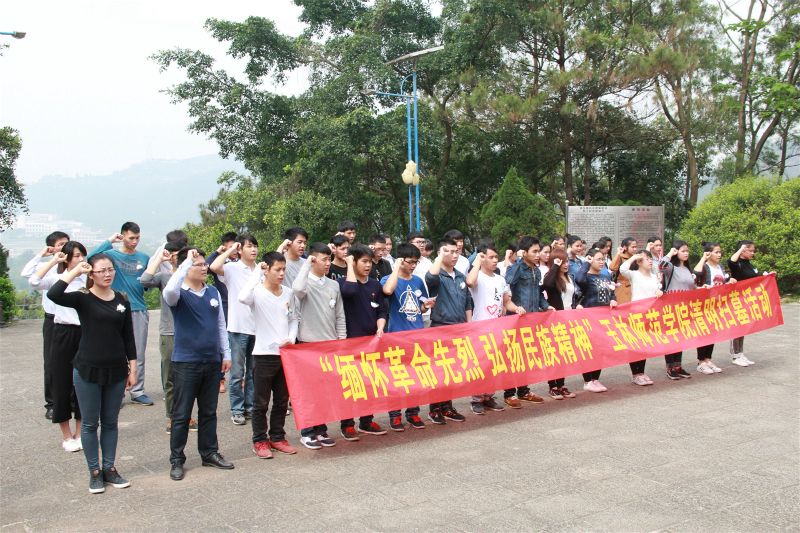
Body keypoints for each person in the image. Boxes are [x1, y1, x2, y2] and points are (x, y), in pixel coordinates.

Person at [47, 254, 137, 494]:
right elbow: (53, 294)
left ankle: (110, 468)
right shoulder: (83, 298)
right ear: (92, 274)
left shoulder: (121, 300)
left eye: (110, 270)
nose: (107, 274)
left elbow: (128, 336)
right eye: (101, 270)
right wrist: (75, 271)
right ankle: (95, 472)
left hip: (116, 370)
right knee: (89, 424)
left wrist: (133, 367)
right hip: (87, 368)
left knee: (110, 422)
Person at [163, 248, 234, 479]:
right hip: (186, 362)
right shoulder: (178, 294)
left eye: (205, 264)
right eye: (199, 264)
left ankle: (209, 452)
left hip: (211, 361)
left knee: (209, 411)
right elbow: (169, 290)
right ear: (186, 268)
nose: (204, 268)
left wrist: (226, 353)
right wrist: (184, 263)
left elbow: (220, 325)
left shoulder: (212, 291)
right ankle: (176, 459)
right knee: (182, 413)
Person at [239, 252, 300, 458]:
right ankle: (260, 440)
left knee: (282, 400)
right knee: (261, 403)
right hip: (263, 354)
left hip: (285, 354)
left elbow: (293, 319)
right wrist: (258, 271)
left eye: (284, 269)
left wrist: (291, 338)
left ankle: (277, 437)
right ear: (268, 270)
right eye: (277, 269)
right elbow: (242, 297)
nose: (282, 273)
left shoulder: (288, 293)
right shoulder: (257, 292)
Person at [28, 241, 86, 452]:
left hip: (85, 333)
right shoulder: (58, 279)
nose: (81, 260)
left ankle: (81, 432)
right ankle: (66, 435)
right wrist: (54, 260)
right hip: (62, 332)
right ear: (68, 258)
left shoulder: (88, 279)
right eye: (77, 256)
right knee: (61, 381)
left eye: (83, 255)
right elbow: (34, 281)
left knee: (84, 383)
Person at [88, 222, 152, 406]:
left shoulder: (143, 258)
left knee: (138, 351)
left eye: (137, 238)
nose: (134, 241)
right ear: (123, 236)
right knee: (115, 350)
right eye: (131, 237)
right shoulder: (111, 256)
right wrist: (109, 241)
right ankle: (116, 391)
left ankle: (137, 390)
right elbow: (90, 259)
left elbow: (149, 279)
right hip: (115, 308)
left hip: (138, 308)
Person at [292, 242, 346, 449]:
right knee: (309, 391)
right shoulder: (305, 283)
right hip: (308, 344)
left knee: (325, 392)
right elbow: (297, 289)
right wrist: (307, 264)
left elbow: (339, 315)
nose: (327, 263)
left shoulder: (333, 285)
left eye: (329, 259)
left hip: (330, 344)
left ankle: (321, 430)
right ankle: (307, 432)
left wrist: (342, 341)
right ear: (313, 259)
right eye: (323, 259)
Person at [140, 242, 197, 433]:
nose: (173, 257)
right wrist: (159, 259)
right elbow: (144, 280)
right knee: (170, 377)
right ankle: (171, 416)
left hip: (189, 333)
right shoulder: (165, 276)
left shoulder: (192, 277)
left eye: (177, 254)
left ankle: (186, 415)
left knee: (188, 378)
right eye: (171, 254)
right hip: (169, 333)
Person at [465, 241, 525, 414]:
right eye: (489, 257)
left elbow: (506, 300)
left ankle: (488, 396)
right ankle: (476, 398)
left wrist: (516, 308)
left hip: (497, 328)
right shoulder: (476, 276)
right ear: (482, 258)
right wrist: (477, 262)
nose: (493, 260)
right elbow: (470, 282)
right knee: (480, 364)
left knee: (494, 364)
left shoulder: (500, 279)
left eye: (495, 257)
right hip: (480, 328)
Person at [337, 245, 389, 440]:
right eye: (363, 262)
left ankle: (366, 421)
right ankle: (347, 424)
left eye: (369, 262)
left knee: (370, 384)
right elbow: (350, 291)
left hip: (372, 343)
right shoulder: (343, 282)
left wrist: (381, 326)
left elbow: (382, 310)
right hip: (350, 343)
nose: (368, 266)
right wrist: (348, 264)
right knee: (351, 385)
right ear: (355, 261)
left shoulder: (375, 285)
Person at [20, 230, 70, 419]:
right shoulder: (47, 266)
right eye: (60, 244)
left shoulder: (72, 266)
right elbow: (27, 274)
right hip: (52, 319)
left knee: (74, 362)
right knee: (51, 363)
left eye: (66, 243)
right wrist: (45, 256)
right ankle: (52, 403)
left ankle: (72, 400)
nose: (63, 247)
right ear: (52, 247)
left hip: (71, 320)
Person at [380, 243, 430, 430]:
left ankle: (413, 413)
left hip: (415, 334)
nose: (413, 266)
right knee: (397, 378)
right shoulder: (388, 278)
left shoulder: (417, 280)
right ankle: (395, 415)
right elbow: (387, 291)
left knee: (415, 378)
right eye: (409, 262)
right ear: (400, 260)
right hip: (395, 336)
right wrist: (396, 270)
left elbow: (420, 306)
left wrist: (427, 305)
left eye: (416, 262)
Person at [210, 234, 259, 425]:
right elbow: (213, 267)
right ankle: (237, 409)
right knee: (237, 372)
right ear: (240, 249)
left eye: (255, 246)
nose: (253, 250)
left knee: (253, 371)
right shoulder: (232, 268)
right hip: (238, 326)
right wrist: (230, 249)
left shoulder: (261, 269)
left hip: (257, 327)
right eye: (249, 246)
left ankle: (250, 406)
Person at [425, 237, 473, 424]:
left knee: (453, 371)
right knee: (439, 371)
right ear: (440, 252)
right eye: (449, 252)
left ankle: (447, 406)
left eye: (456, 252)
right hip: (440, 328)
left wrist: (468, 325)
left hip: (459, 328)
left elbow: (468, 301)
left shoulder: (460, 276)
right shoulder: (437, 275)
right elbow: (430, 278)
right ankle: (434, 408)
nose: (454, 255)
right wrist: (439, 257)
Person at [502, 236, 550, 408]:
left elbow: (537, 293)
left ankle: (523, 390)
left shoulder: (536, 271)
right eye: (534, 252)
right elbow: (509, 281)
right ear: (524, 253)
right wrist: (517, 261)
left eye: (539, 251)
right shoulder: (516, 268)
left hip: (532, 319)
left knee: (526, 356)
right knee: (512, 357)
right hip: (515, 318)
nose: (538, 255)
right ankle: (509, 393)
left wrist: (546, 306)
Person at [575, 248, 618, 392]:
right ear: (590, 259)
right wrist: (586, 264)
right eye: (598, 259)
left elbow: (612, 293)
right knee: (590, 350)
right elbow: (579, 279)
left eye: (603, 259)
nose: (602, 262)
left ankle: (595, 379)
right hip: (589, 319)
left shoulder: (605, 277)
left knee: (601, 350)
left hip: (604, 319)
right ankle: (587, 380)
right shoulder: (586, 277)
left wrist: (613, 300)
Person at [619, 251, 662, 386]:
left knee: (645, 344)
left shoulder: (654, 277)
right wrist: (634, 257)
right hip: (637, 314)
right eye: (646, 259)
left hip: (650, 314)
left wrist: (659, 292)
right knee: (635, 344)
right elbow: (623, 269)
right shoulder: (635, 275)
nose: (650, 261)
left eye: (650, 259)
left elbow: (657, 289)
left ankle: (642, 372)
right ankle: (635, 374)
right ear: (639, 262)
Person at [542, 249, 579, 399]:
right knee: (554, 354)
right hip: (555, 320)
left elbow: (575, 296)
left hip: (569, 318)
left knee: (564, 353)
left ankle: (561, 384)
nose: (566, 264)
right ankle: (552, 386)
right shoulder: (551, 277)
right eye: (562, 261)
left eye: (566, 261)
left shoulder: (569, 277)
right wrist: (555, 267)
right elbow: (547, 285)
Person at [727, 240, 772, 366]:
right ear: (743, 250)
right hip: (736, 300)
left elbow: (756, 276)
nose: (753, 253)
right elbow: (731, 261)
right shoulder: (737, 263)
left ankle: (740, 353)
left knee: (743, 328)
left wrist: (768, 276)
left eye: (753, 250)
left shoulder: (748, 264)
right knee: (736, 328)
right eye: (750, 250)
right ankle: (735, 356)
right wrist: (741, 249)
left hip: (747, 300)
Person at [206, 231, 238, 393]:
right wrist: (218, 252)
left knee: (239, 343)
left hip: (239, 306)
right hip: (224, 306)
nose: (234, 250)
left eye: (236, 247)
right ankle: (220, 378)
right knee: (223, 343)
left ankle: (240, 377)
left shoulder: (240, 263)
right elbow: (206, 266)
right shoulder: (220, 262)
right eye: (230, 247)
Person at [660, 241, 698, 379]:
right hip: (671, 307)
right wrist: (670, 253)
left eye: (687, 251)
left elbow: (692, 288)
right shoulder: (671, 268)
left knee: (681, 337)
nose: (686, 253)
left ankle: (678, 366)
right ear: (676, 252)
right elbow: (661, 265)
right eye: (683, 251)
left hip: (685, 308)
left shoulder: (687, 269)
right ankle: (670, 367)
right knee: (671, 337)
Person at [693, 242, 732, 374]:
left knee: (713, 332)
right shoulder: (704, 266)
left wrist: (730, 282)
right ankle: (701, 361)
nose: (719, 255)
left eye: (720, 252)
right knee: (703, 331)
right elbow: (696, 273)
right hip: (704, 305)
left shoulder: (721, 267)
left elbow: (723, 283)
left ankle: (708, 359)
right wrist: (703, 258)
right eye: (716, 252)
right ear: (709, 253)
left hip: (717, 304)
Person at [609, 237, 637, 304]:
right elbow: (612, 267)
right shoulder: (621, 256)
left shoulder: (635, 257)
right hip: (623, 288)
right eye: (633, 247)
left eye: (636, 247)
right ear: (625, 247)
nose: (635, 249)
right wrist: (618, 253)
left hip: (634, 287)